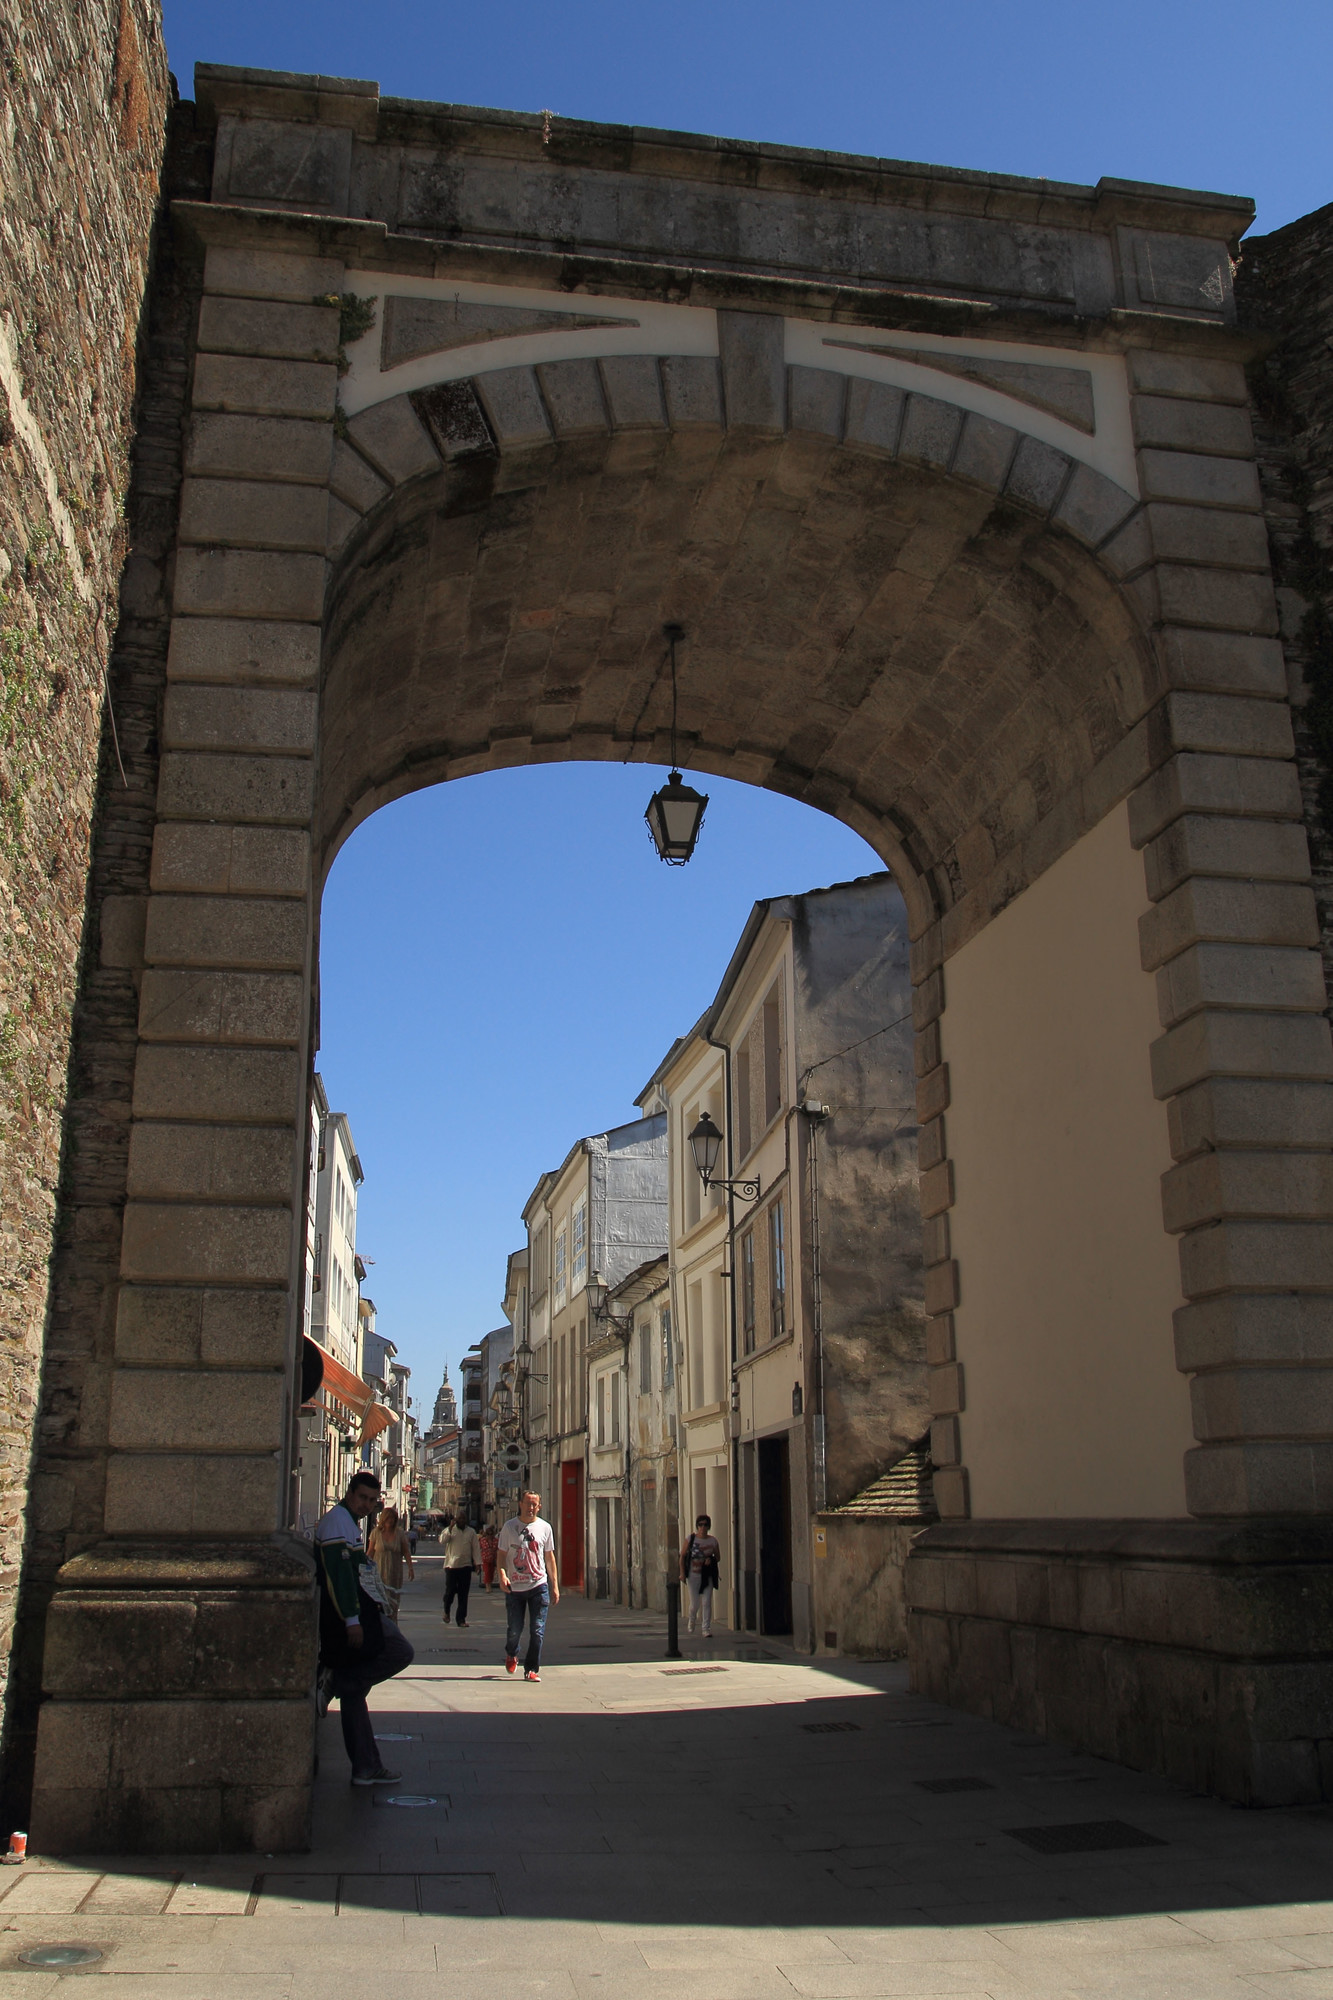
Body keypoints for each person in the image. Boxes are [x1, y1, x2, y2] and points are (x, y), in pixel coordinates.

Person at [315, 1471, 415, 1785]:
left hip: (364, 1609)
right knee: (400, 1651)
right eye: (362, 1498)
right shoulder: (337, 1523)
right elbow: (339, 1577)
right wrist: (352, 1620)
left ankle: (365, 1767)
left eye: (372, 1501)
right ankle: (339, 1677)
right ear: (350, 1493)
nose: (367, 1505)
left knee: (354, 1692)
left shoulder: (350, 1523)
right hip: (353, 1616)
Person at [497, 1490, 559, 1682]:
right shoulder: (509, 1527)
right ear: (521, 1504)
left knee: (537, 1630)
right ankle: (512, 1652)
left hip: (538, 1586)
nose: (531, 1508)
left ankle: (531, 1669)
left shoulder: (545, 1528)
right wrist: (502, 1575)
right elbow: (501, 1555)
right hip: (514, 1588)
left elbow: (549, 1557)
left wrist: (554, 1585)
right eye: (528, 1503)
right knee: (515, 1629)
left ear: (539, 1507)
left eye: (535, 1504)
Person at [367, 1504, 414, 1620]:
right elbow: (370, 1553)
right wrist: (364, 1569)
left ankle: (392, 1625)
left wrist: (410, 1568)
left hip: (394, 1573)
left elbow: (406, 1552)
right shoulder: (376, 1533)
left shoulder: (399, 1534)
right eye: (388, 1518)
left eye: (393, 1518)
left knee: (393, 1602)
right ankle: (381, 1625)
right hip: (379, 1572)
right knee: (379, 1601)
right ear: (383, 1519)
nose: (390, 1521)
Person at [680, 1512, 722, 1638]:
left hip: (707, 1575)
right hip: (693, 1575)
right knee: (695, 1603)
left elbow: (718, 1557)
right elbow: (682, 1556)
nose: (703, 1527)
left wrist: (711, 1559)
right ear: (697, 1526)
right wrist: (682, 1573)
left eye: (705, 1525)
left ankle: (706, 1629)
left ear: (709, 1526)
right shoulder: (690, 1539)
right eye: (700, 1525)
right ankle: (692, 1620)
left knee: (707, 1602)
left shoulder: (713, 1541)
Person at [440, 1510, 482, 1627]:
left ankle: (461, 1619)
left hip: (465, 1566)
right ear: (455, 1519)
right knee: (450, 1592)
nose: (461, 1521)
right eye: (459, 1518)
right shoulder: (450, 1530)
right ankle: (446, 1610)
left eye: (463, 1519)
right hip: (451, 1566)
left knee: (463, 1594)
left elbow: (476, 1549)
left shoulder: (471, 1532)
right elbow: (442, 1540)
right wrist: (449, 1528)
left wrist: (477, 1563)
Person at [478, 1524, 498, 1590]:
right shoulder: (482, 1540)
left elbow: (498, 1549)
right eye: (488, 1535)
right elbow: (478, 1549)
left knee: (491, 1572)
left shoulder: (496, 1540)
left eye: (491, 1535)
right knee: (487, 1571)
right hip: (485, 1559)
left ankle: (490, 1583)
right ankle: (487, 1586)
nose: (489, 1536)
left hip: (493, 1559)